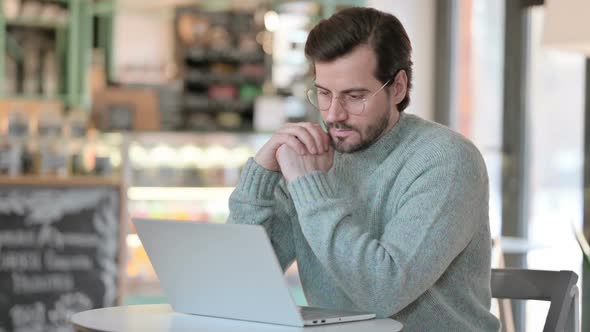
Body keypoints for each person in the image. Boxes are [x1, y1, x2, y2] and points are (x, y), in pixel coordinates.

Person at [228, 6, 500, 331]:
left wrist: (309, 185)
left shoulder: (447, 160)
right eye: (324, 93)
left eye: (354, 96)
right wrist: (260, 175)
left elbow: (383, 292)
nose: (333, 114)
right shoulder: (312, 161)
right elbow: (238, 283)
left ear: (397, 87)